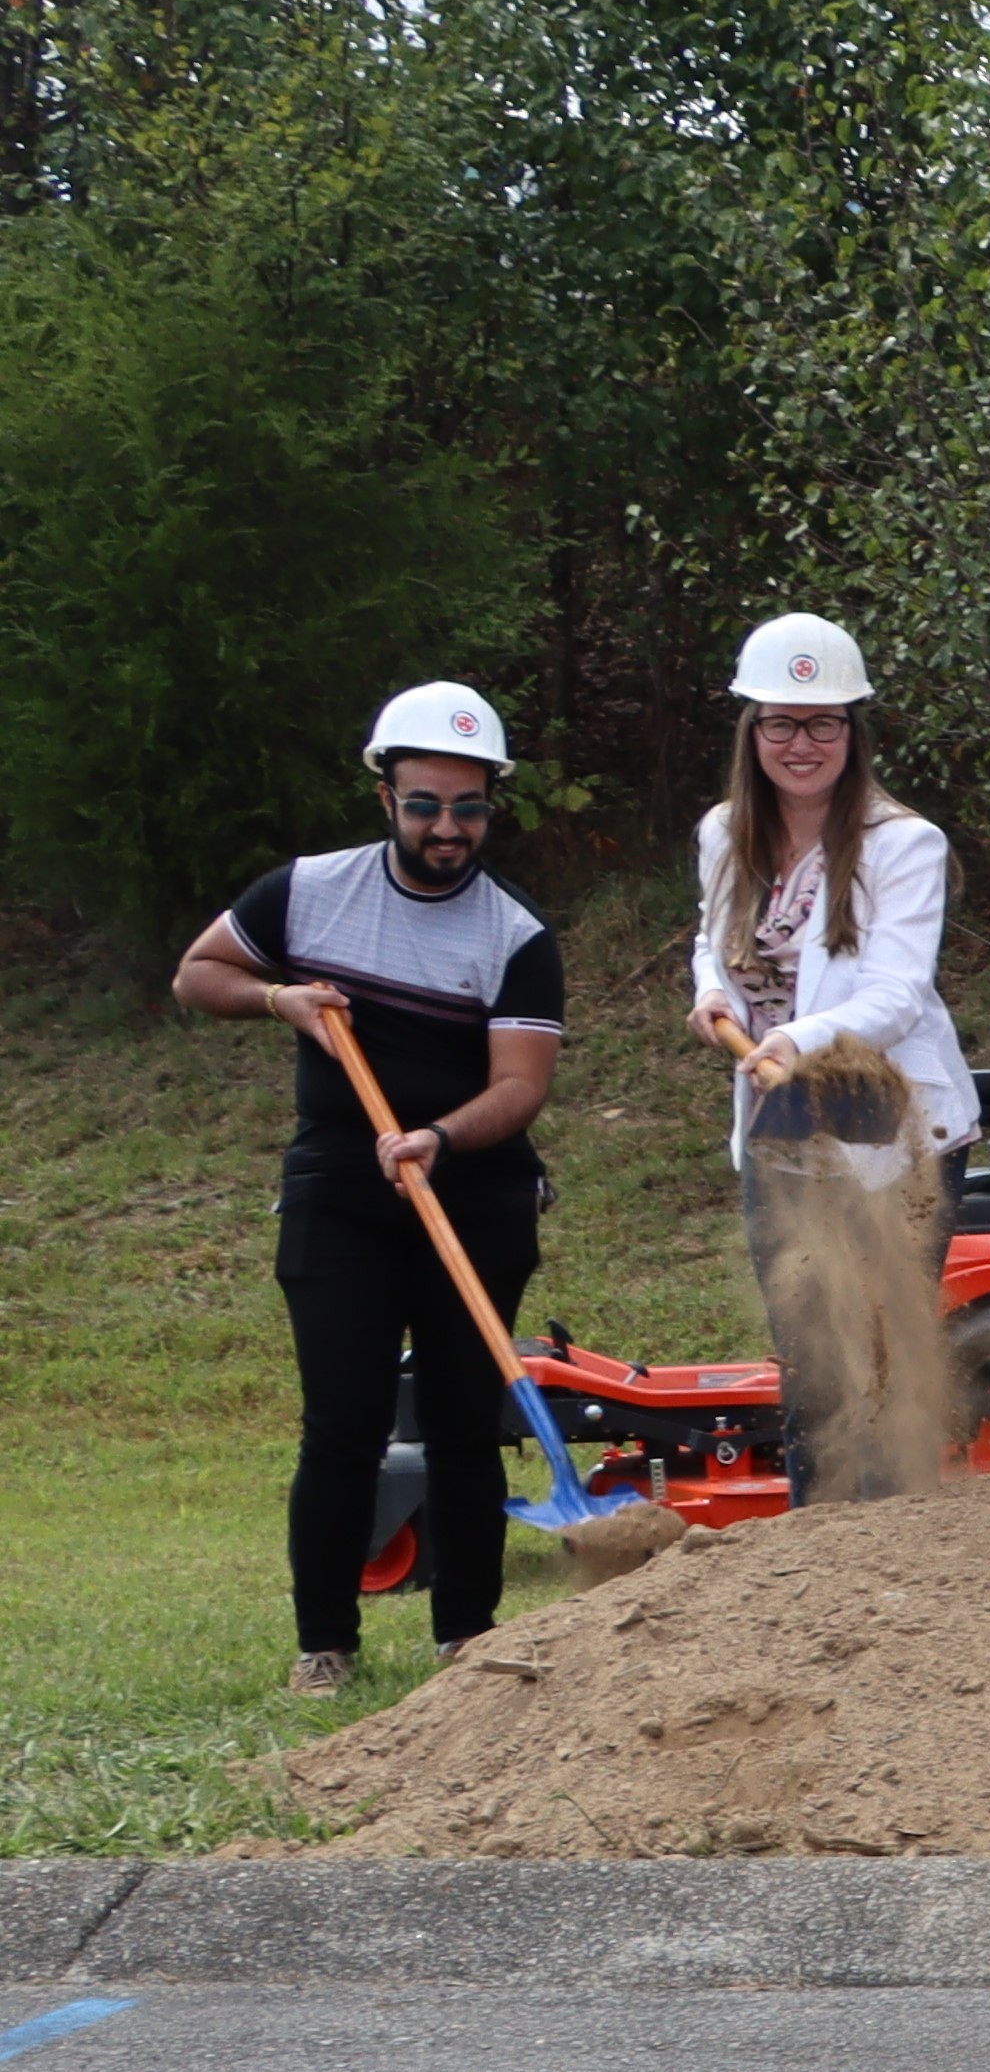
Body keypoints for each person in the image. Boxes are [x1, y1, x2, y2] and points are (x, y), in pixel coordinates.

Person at [171, 683, 564, 1696]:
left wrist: (438, 1137)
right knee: (341, 1421)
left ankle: (466, 1642)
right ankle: (325, 1646)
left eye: (469, 807)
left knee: (463, 1422)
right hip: (340, 1196)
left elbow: (519, 1086)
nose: (448, 828)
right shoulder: (305, 892)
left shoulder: (515, 934)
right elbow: (197, 975)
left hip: (472, 1198)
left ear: (491, 806)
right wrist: (280, 998)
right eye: (426, 803)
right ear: (386, 795)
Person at [687, 614, 977, 1497]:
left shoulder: (904, 845)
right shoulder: (724, 832)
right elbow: (713, 940)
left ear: (855, 731)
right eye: (780, 721)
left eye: (824, 723)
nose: (801, 743)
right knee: (811, 1365)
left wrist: (793, 1040)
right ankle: (822, 1568)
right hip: (783, 1136)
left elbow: (894, 996)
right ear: (752, 731)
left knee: (882, 1359)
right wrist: (710, 995)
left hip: (890, 1135)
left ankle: (898, 1558)